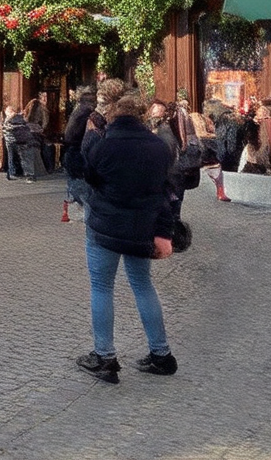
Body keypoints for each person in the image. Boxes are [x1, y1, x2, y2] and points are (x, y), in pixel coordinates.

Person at [77, 93, 178, 384]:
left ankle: (105, 357)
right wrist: (164, 230)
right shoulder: (158, 147)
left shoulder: (105, 144)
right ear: (142, 116)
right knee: (143, 285)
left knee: (101, 287)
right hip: (141, 228)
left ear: (112, 115)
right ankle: (161, 354)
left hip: (105, 227)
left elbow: (88, 175)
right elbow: (165, 191)